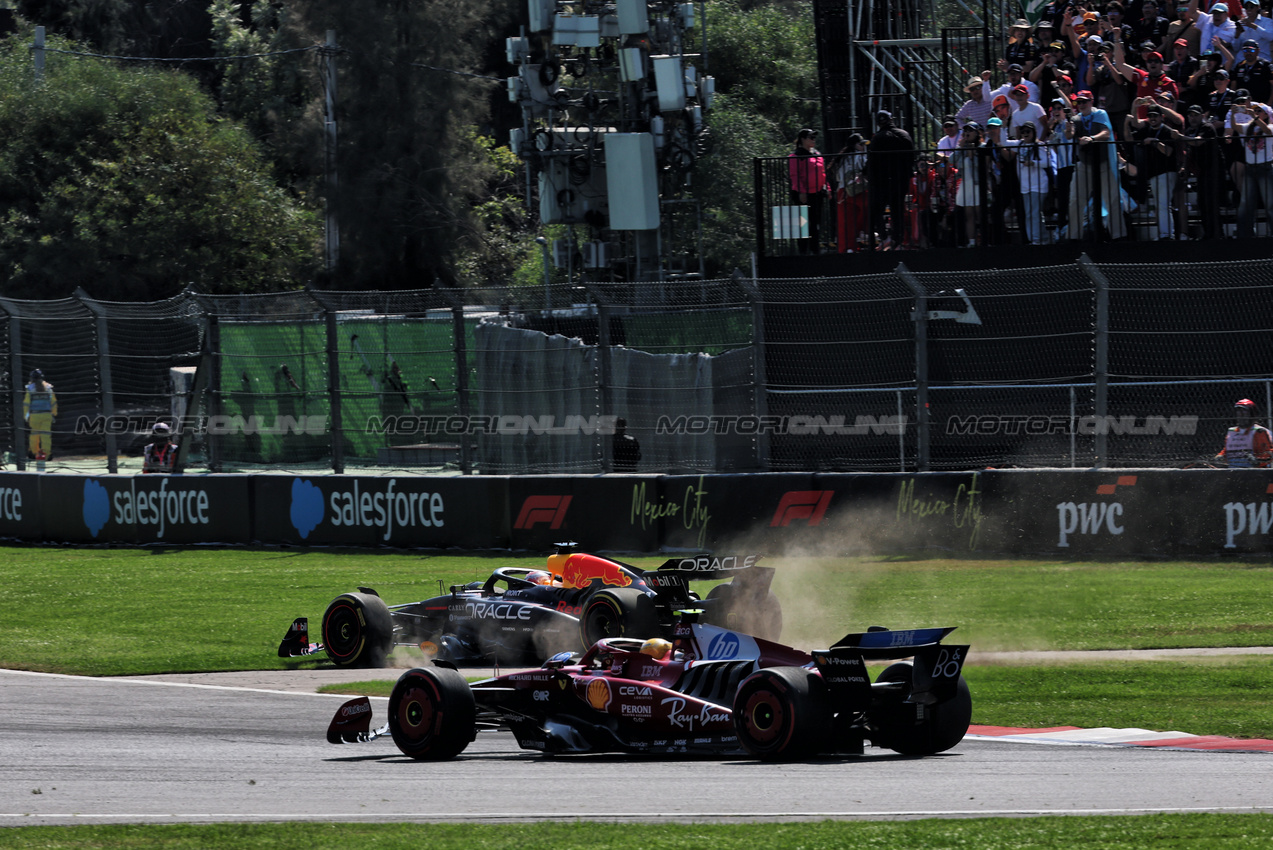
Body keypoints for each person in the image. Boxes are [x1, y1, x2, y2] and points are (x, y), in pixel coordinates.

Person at [1068, 90, 1128, 238]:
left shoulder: (1100, 114)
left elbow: (1106, 133)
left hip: (1104, 163)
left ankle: (1118, 235)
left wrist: (1092, 138)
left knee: (1112, 200)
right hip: (1085, 164)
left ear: (1091, 101)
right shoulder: (1076, 118)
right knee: (1075, 200)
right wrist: (1068, 126)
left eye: (1084, 101)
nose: (1081, 105)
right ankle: (1074, 237)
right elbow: (1070, 134)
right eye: (1078, 102)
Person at [1129, 102, 1182, 236]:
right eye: (1150, 115)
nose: (1153, 118)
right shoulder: (1147, 129)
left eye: (1155, 116)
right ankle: (1164, 233)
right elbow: (1131, 132)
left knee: (1163, 204)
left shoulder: (1167, 131)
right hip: (1153, 173)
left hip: (1166, 171)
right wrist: (1134, 108)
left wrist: (1155, 142)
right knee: (1160, 205)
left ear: (1161, 117)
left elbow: (1168, 151)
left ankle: (1167, 235)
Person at [867, 110, 915, 249]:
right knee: (897, 211)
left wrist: (870, 177)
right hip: (901, 181)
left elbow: (872, 162)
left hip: (882, 182)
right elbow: (911, 158)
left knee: (876, 210)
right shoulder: (904, 135)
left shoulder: (877, 138)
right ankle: (897, 241)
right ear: (891, 119)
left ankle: (884, 237)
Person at [1012, 121, 1057, 243]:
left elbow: (1047, 162)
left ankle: (1036, 241)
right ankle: (1042, 238)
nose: (1025, 134)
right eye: (1023, 132)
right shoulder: (1020, 145)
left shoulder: (1040, 145)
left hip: (1039, 185)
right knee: (1030, 214)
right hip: (1025, 186)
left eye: (1028, 131)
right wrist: (1004, 127)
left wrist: (1033, 163)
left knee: (1035, 213)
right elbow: (1004, 142)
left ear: (1033, 132)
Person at [1234, 95, 1273, 234]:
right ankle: (1245, 234)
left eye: (1259, 111)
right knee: (1245, 203)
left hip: (1265, 168)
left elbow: (1268, 132)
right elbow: (1235, 127)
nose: (1256, 113)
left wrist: (1255, 118)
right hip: (1250, 169)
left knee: (1270, 204)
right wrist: (1233, 114)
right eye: (1255, 111)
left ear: (1266, 114)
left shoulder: (1270, 126)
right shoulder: (1248, 127)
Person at [787, 128, 828, 254]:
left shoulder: (817, 154)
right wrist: (802, 192)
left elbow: (822, 173)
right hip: (802, 194)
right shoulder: (796, 156)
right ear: (803, 139)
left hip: (817, 193)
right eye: (811, 137)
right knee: (803, 224)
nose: (813, 140)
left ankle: (815, 250)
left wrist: (827, 188)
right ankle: (803, 252)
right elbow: (795, 176)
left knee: (815, 224)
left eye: (814, 137)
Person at [833, 133, 869, 252]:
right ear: (855, 145)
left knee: (845, 223)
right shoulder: (860, 156)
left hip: (842, 191)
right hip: (859, 190)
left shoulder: (841, 158)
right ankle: (864, 233)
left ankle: (847, 249)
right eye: (861, 144)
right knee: (868, 210)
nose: (863, 146)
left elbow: (838, 177)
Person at [1216, 398, 1272, 466]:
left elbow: (1268, 453)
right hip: (1233, 471)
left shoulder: (1259, 432)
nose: (1241, 415)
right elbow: (1227, 450)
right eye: (1239, 412)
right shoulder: (1232, 432)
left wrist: (1257, 460)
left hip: (1254, 472)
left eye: (1244, 412)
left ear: (1252, 414)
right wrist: (1220, 456)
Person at [23, 369, 57, 461]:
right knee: (46, 436)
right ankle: (47, 455)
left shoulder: (30, 388)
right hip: (47, 415)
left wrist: (26, 416)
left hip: (34, 416)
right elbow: (53, 401)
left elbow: (26, 403)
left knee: (34, 434)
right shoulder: (48, 387)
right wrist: (54, 413)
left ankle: (34, 453)